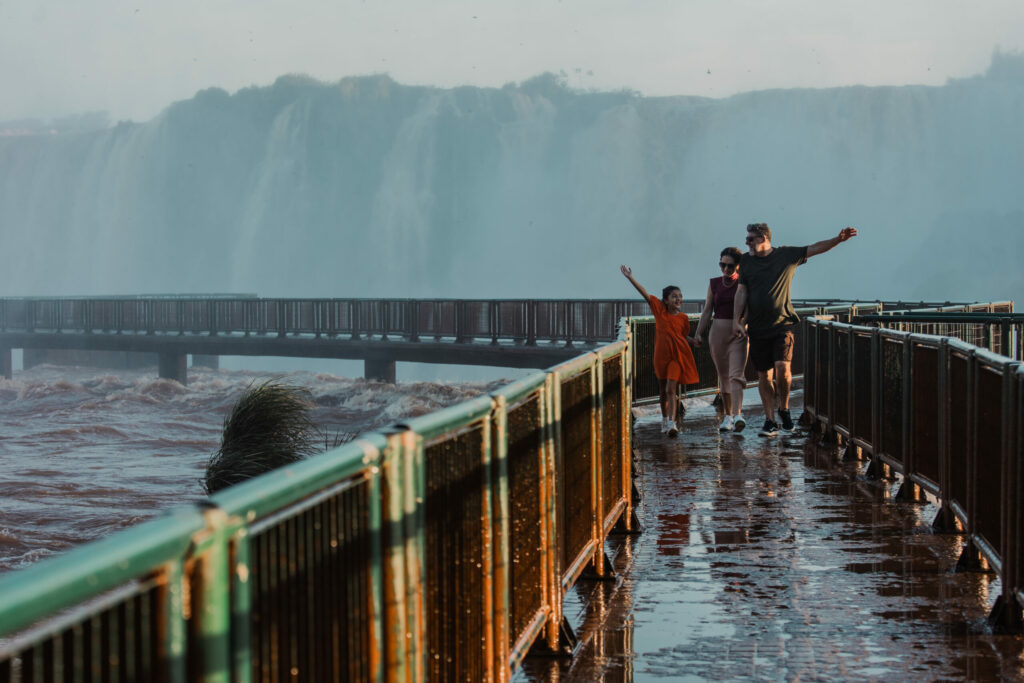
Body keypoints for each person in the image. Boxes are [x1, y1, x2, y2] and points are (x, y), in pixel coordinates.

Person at [732, 223, 858, 437]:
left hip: (783, 324)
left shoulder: (786, 255)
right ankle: (770, 421)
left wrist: (838, 239)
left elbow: (815, 248)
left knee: (782, 367)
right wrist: (737, 321)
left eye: (750, 238)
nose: (746, 242)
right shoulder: (746, 261)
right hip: (757, 327)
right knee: (764, 375)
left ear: (763, 238)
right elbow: (741, 292)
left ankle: (785, 408)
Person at [621, 264, 699, 438]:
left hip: (677, 357)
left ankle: (672, 423)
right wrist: (630, 278)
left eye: (680, 296)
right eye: (674, 297)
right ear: (665, 300)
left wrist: (692, 340)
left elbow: (682, 336)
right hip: (661, 357)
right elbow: (646, 294)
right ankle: (664, 419)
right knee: (663, 390)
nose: (678, 299)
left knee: (672, 389)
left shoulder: (684, 318)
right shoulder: (660, 311)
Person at [694, 247, 749, 433]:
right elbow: (708, 309)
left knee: (736, 375)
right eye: (722, 265)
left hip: (738, 332)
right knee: (724, 376)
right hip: (717, 331)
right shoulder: (714, 283)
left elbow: (749, 307)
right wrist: (699, 332)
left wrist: (742, 323)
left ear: (738, 266)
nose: (725, 269)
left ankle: (738, 414)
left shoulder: (744, 282)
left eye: (730, 266)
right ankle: (728, 416)